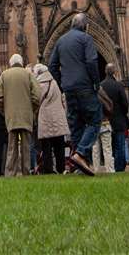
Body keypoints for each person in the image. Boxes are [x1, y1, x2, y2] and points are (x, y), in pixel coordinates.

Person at [47, 12, 102, 176]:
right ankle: (81, 153)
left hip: (69, 89)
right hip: (84, 86)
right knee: (95, 119)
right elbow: (92, 61)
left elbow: (52, 66)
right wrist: (96, 82)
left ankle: (80, 167)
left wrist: (62, 84)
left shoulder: (60, 41)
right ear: (85, 26)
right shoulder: (85, 38)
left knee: (76, 125)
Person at [0, 54, 40, 177]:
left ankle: (10, 173)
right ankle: (26, 172)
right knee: (26, 146)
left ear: (10, 63)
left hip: (11, 116)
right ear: (22, 62)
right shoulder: (28, 74)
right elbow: (37, 96)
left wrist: (4, 110)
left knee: (11, 147)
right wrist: (32, 109)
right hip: (26, 115)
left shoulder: (4, 75)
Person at [32, 62, 68, 174]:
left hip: (45, 119)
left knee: (46, 146)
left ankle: (48, 169)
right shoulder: (54, 83)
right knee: (59, 146)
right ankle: (61, 168)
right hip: (58, 118)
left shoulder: (39, 85)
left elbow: (36, 101)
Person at [99, 63, 129, 173]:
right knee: (120, 145)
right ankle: (119, 168)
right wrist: (122, 114)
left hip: (106, 120)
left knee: (109, 146)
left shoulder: (101, 85)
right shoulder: (118, 85)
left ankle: (111, 167)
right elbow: (125, 104)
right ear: (114, 72)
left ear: (105, 72)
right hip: (119, 120)